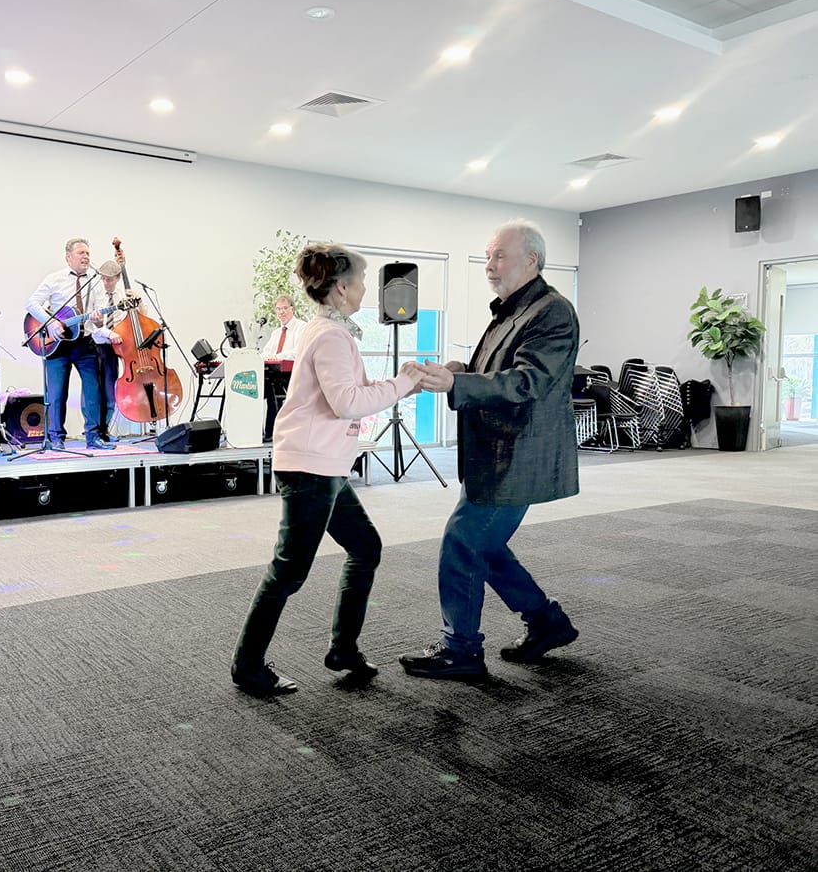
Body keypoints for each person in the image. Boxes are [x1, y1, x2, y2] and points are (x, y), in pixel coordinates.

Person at [231, 243, 427, 697]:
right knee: (288, 570)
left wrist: (402, 384)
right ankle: (248, 666)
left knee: (365, 547)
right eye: (361, 281)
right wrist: (402, 383)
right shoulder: (330, 336)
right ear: (341, 287)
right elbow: (347, 403)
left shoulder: (330, 331)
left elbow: (352, 389)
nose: (366, 290)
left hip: (324, 465)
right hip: (311, 468)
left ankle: (343, 650)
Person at [398, 218, 580, 681]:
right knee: (487, 545)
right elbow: (496, 368)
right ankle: (547, 623)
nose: (489, 265)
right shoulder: (513, 308)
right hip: (492, 454)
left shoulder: (552, 312)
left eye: (499, 255)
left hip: (517, 456)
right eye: (487, 256)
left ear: (531, 260)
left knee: (462, 542)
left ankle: (460, 649)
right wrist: (457, 370)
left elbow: (527, 381)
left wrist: (457, 384)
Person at [25, 238, 114, 451]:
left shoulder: (95, 282)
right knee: (57, 394)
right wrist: (51, 322)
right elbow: (32, 303)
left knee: (93, 391)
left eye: (88, 253)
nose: (86, 257)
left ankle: (93, 437)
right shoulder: (54, 279)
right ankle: (56, 438)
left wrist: (98, 319)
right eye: (81, 253)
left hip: (85, 343)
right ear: (68, 257)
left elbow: (100, 317)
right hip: (58, 345)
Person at [87, 259, 148, 443]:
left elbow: (142, 317)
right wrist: (109, 333)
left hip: (116, 348)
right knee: (95, 392)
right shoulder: (94, 293)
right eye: (104, 278)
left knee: (110, 390)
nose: (106, 282)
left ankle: (104, 430)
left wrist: (139, 301)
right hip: (96, 345)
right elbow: (90, 324)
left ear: (118, 278)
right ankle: (93, 431)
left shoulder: (123, 295)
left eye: (110, 279)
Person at [260, 295, 308, 443]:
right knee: (255, 386)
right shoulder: (276, 333)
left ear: (292, 309)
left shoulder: (302, 327)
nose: (281, 312)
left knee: (271, 388)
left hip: (293, 374)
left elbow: (297, 352)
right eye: (278, 309)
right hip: (274, 374)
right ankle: (263, 433)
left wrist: (276, 357)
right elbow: (266, 353)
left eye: (285, 308)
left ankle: (272, 432)